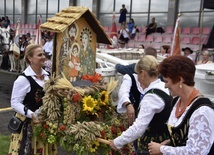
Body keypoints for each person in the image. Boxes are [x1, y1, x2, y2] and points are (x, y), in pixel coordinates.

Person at [148, 55, 214, 155]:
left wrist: (162, 149)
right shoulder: (176, 101)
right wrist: (171, 143)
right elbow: (185, 137)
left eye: (167, 81)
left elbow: (198, 152)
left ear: (180, 80)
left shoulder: (202, 111)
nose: (165, 86)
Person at [109, 55, 172, 154]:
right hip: (164, 139)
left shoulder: (152, 96)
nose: (137, 77)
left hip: (152, 145)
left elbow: (138, 128)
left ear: (143, 74)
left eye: (137, 74)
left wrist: (117, 142)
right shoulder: (163, 87)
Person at [8, 44, 57, 155]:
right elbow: (15, 103)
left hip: (45, 122)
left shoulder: (48, 76)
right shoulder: (23, 79)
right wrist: (32, 114)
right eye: (39, 55)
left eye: (43, 54)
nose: (43, 57)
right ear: (30, 58)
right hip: (28, 123)